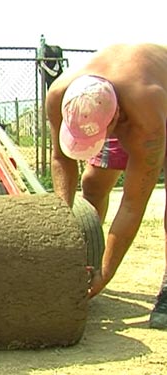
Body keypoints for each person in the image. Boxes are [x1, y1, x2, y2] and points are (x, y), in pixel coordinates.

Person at [45, 43, 167, 329]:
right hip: (120, 99)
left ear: (115, 120)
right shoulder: (60, 94)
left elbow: (133, 204)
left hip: (158, 105)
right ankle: (84, 254)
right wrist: (66, 226)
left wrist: (106, 272)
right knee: (93, 184)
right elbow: (61, 157)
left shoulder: (146, 118)